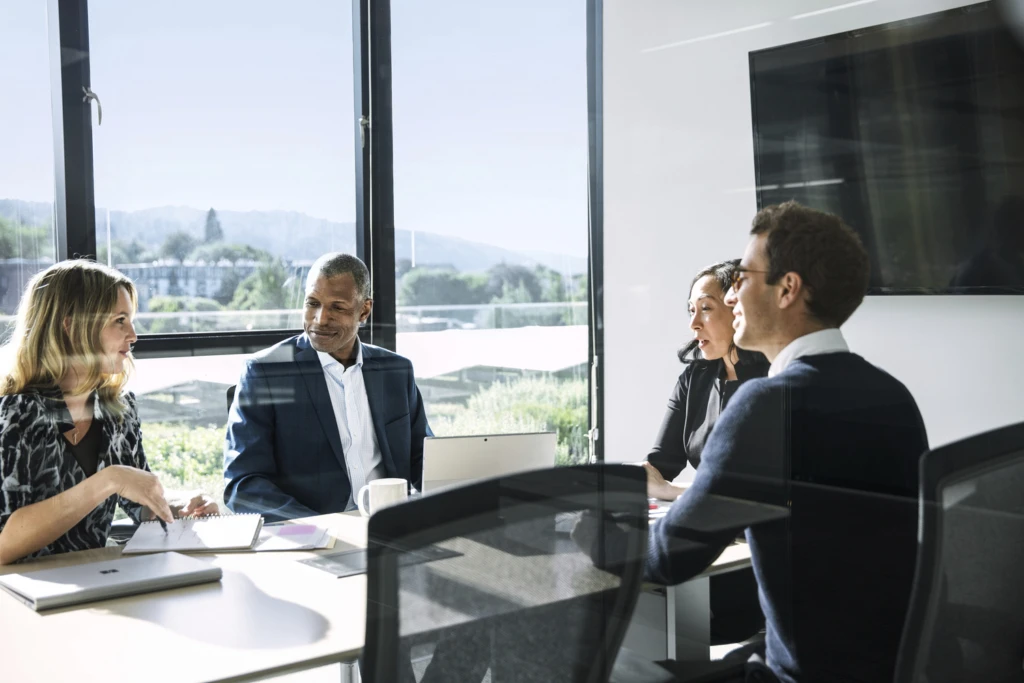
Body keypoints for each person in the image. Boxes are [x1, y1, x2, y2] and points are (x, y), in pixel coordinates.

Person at [581, 201, 929, 683]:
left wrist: (591, 532)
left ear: (787, 289)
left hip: (798, 672)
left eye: (742, 277)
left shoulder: (767, 406)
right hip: (876, 665)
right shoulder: (894, 396)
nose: (732, 296)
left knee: (600, 665)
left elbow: (669, 558)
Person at [0, 260, 216, 566]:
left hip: (98, 581)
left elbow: (136, 501)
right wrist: (109, 480)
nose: (133, 335)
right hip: (22, 595)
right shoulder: (15, 412)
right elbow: (4, 543)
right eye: (120, 320)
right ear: (71, 325)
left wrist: (181, 506)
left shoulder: (118, 411)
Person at [224, 253, 431, 523]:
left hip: (390, 526)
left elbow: (422, 458)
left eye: (337, 307)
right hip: (314, 533)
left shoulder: (396, 371)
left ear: (364, 311)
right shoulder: (266, 372)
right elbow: (243, 484)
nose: (320, 319)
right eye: (313, 303)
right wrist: (319, 528)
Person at [644, 259, 769, 502]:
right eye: (692, 310)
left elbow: (760, 490)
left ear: (740, 308)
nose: (694, 324)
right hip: (708, 522)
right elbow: (661, 465)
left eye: (706, 308)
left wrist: (673, 491)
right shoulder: (695, 378)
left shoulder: (776, 377)